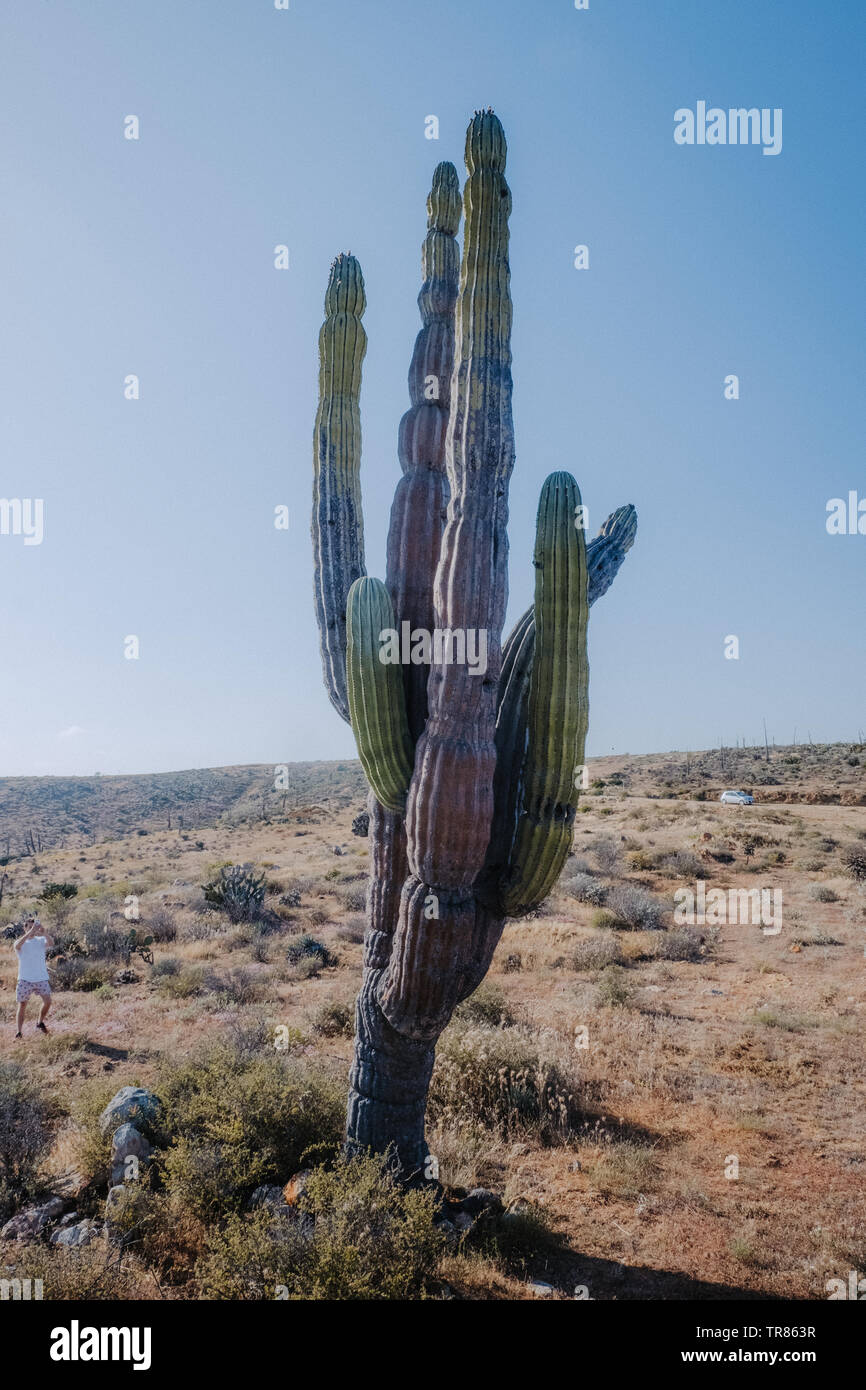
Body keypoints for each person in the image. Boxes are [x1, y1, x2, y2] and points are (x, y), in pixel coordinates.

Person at [12, 915, 54, 1038]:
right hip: (25, 979)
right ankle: (19, 1032)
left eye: (33, 927)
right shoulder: (19, 942)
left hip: (41, 977)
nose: (32, 929)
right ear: (25, 928)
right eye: (29, 927)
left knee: (48, 1001)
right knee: (22, 1004)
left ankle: (39, 1023)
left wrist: (44, 932)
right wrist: (31, 931)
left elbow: (51, 943)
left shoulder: (40, 941)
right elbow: (17, 946)